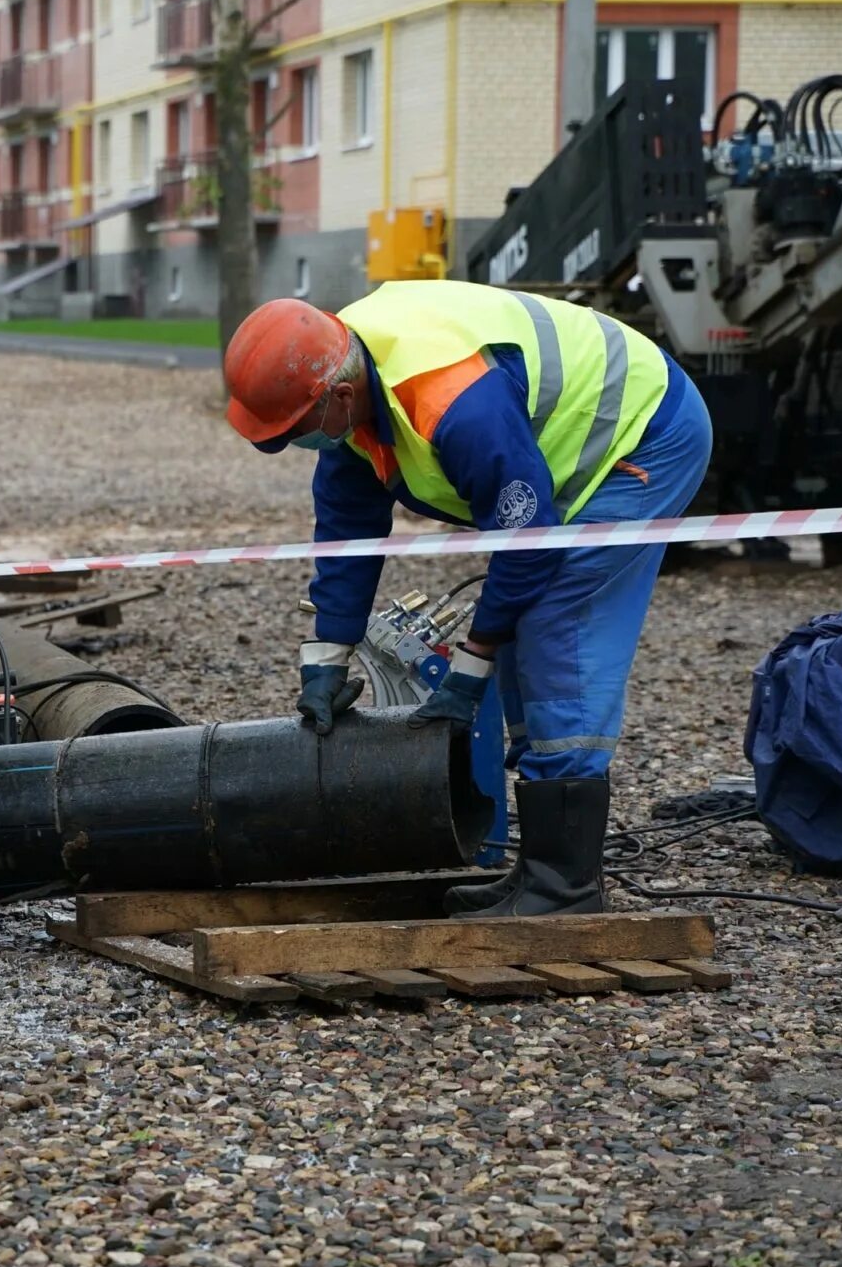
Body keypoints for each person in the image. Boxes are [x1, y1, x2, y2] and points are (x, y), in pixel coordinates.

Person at [223, 281, 712, 918]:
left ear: (341, 396)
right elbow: (346, 528)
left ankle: (565, 887)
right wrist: (327, 660)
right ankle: (538, 869)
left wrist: (472, 662)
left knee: (554, 627)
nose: (296, 445)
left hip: (643, 436)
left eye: (297, 432)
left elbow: (526, 537)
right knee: (525, 627)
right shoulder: (346, 378)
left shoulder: (452, 399)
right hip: (550, 455)